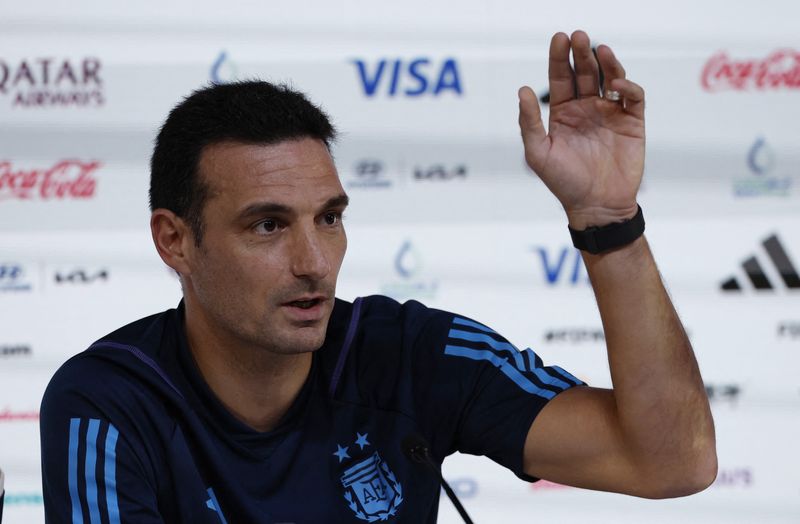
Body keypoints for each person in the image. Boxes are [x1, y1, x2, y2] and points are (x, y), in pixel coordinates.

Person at [40, 30, 716, 523]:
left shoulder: (408, 351)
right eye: (268, 226)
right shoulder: (108, 402)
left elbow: (671, 462)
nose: (314, 262)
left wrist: (608, 221)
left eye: (329, 218)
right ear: (174, 241)